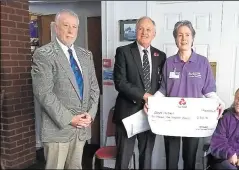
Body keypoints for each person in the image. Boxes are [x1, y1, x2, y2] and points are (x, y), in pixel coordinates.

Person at [144, 20, 225, 169]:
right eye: (180, 35)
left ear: (193, 38)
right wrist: (152, 103)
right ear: (175, 39)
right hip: (172, 119)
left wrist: (219, 102)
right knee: (171, 160)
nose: (184, 38)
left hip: (193, 120)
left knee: (190, 160)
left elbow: (209, 90)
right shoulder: (169, 63)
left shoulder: (202, 62)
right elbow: (163, 89)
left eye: (187, 34)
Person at [31, 9, 100, 169]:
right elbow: (43, 93)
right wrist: (70, 119)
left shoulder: (86, 55)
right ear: (56, 27)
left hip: (81, 129)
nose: (70, 30)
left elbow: (94, 89)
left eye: (74, 26)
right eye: (66, 25)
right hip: (58, 130)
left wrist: (90, 115)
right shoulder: (44, 54)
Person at [113, 16, 167, 169]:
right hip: (127, 114)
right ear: (136, 31)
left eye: (148, 29)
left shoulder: (161, 56)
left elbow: (163, 85)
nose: (144, 32)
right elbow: (120, 83)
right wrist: (144, 96)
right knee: (123, 158)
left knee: (146, 157)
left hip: (150, 114)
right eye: (141, 29)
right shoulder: (123, 52)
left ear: (154, 34)